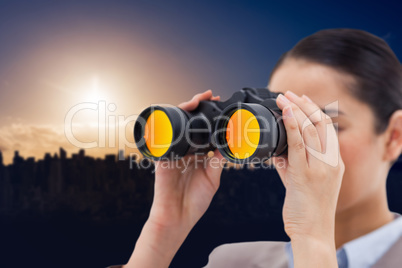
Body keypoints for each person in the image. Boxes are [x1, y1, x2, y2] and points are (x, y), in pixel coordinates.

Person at [109, 29, 402, 268]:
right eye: (280, 126)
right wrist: (162, 232)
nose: (298, 146)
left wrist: (312, 240)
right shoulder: (233, 261)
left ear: (394, 137)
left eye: (321, 125)